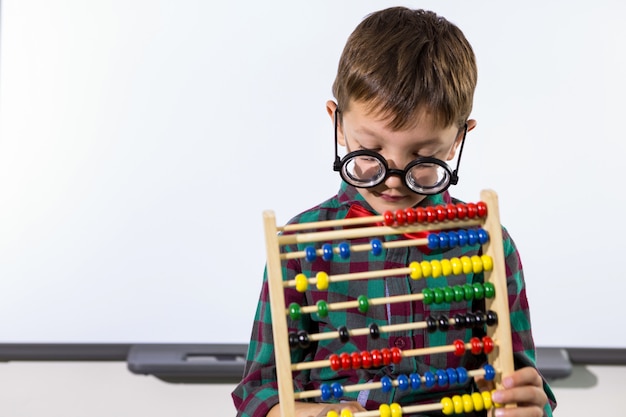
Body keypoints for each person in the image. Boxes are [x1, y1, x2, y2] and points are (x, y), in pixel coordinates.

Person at [232, 6, 556, 417]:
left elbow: (521, 380)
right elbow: (259, 393)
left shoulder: (486, 243)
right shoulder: (299, 245)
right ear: (338, 124)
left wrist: (529, 405)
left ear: (458, 139)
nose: (394, 180)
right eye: (371, 150)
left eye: (424, 156)